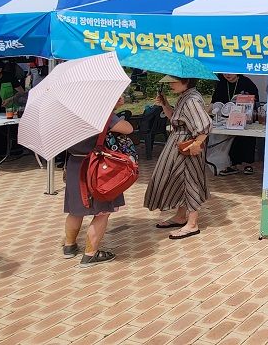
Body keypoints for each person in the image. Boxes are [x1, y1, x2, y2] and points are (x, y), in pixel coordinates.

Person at [63, 96, 134, 267]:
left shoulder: (68, 113)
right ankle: (90, 254)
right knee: (102, 211)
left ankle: (69, 247)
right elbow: (128, 128)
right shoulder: (101, 114)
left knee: (75, 209)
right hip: (97, 166)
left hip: (74, 163)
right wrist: (111, 111)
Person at [144, 75, 212, 239]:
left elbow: (205, 124)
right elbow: (176, 118)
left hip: (186, 146)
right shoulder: (186, 97)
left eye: (173, 81)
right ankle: (180, 217)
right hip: (180, 144)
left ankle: (192, 223)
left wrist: (197, 143)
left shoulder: (191, 100)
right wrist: (164, 103)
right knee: (179, 179)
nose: (170, 84)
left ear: (186, 81)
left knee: (190, 181)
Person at [211, 73, 260, 176]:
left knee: (248, 137)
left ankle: (248, 164)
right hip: (227, 119)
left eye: (230, 72)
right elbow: (214, 102)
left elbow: (255, 101)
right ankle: (233, 165)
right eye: (225, 72)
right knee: (232, 139)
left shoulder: (246, 83)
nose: (227, 75)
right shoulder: (222, 83)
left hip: (246, 117)